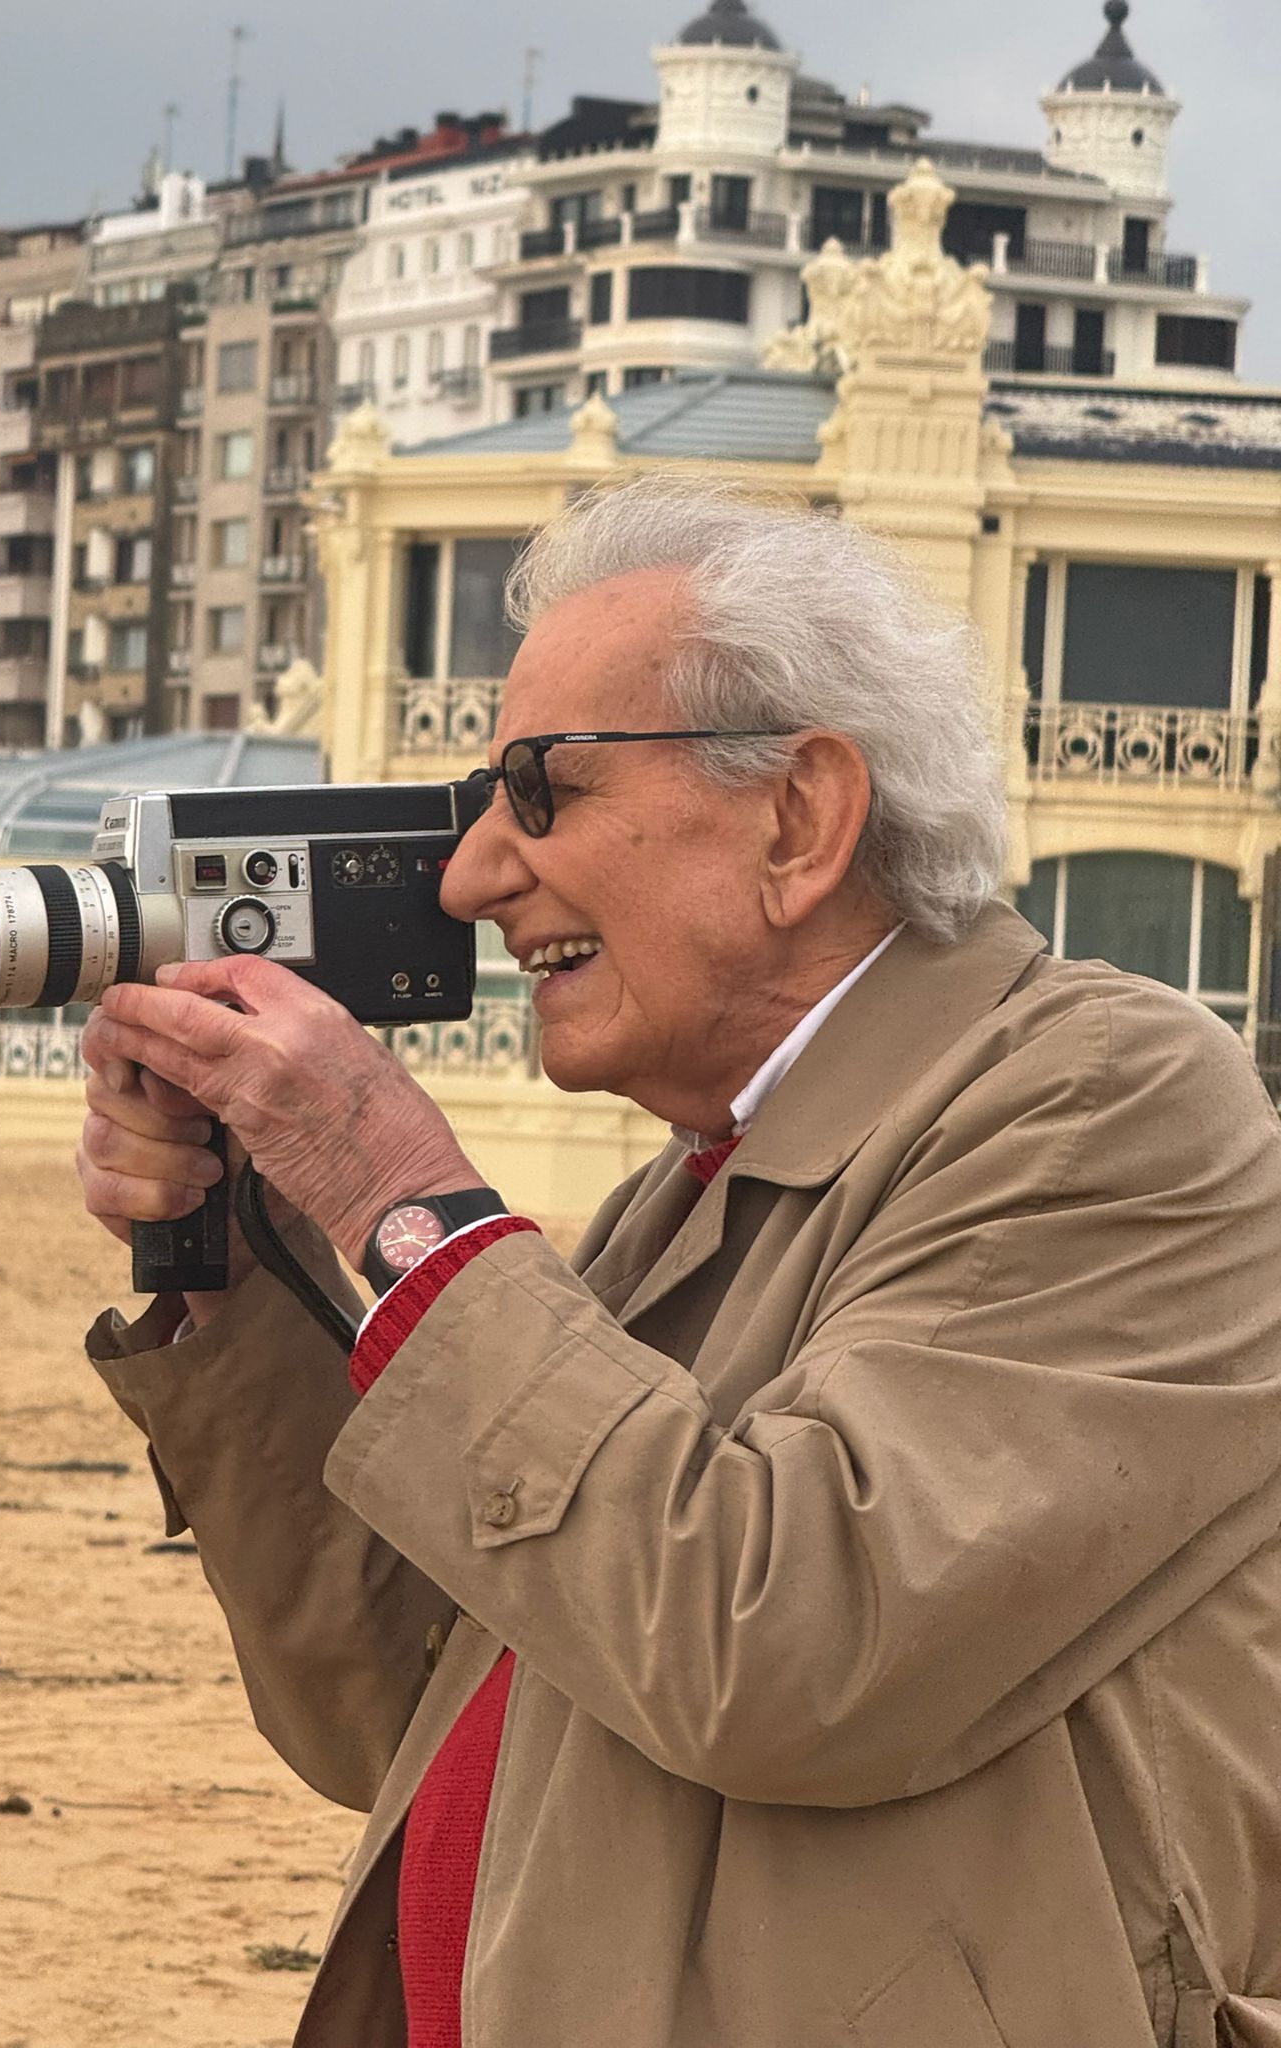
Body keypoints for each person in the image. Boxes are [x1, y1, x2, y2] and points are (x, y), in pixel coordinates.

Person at [76, 476, 1281, 2048]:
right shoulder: (693, 1192)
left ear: (799, 818)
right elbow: (405, 1708)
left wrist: (403, 1201)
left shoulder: (1112, 1100)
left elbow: (786, 1650)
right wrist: (239, 1286)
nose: (470, 878)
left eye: (539, 791)